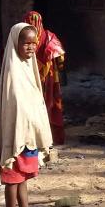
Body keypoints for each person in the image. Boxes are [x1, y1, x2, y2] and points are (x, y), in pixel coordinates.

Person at [0, 22, 54, 207]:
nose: (30, 47)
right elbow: (16, 106)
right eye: (25, 43)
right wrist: (23, 130)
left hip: (29, 135)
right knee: (12, 178)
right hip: (17, 135)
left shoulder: (28, 67)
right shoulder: (13, 70)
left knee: (23, 177)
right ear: (15, 43)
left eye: (33, 43)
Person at [22, 11, 66, 145]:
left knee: (29, 106)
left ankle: (31, 138)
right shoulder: (49, 37)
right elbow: (61, 58)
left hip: (28, 78)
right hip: (48, 79)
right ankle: (51, 137)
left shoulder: (22, 38)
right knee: (49, 104)